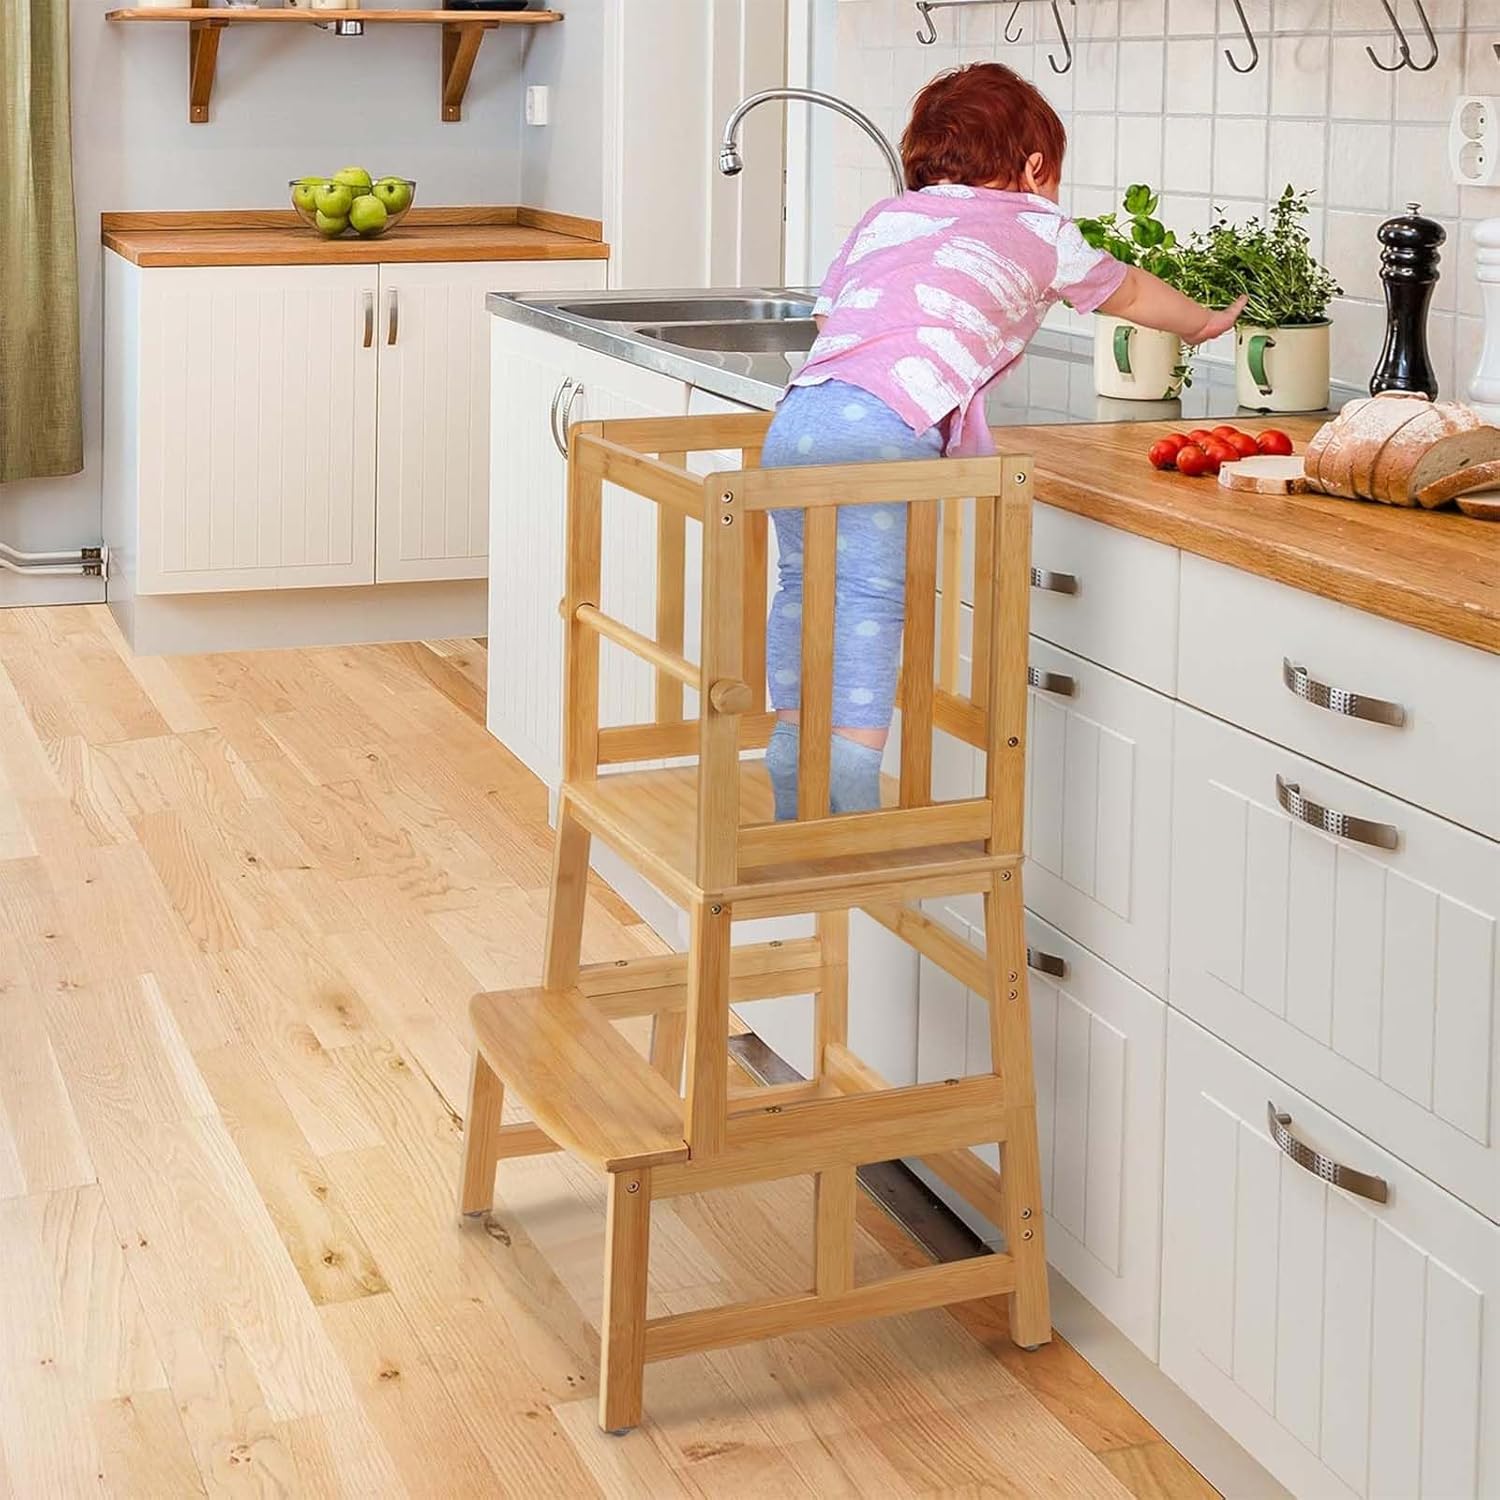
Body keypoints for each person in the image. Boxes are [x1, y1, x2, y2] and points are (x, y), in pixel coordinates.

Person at [761, 62, 1245, 820]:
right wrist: (1206, 323)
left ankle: (793, 755)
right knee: (866, 598)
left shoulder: (888, 214)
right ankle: (848, 784)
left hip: (800, 417)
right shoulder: (1043, 228)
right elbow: (1135, 293)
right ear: (1035, 166)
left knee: (804, 587)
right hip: (889, 428)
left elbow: (835, 324)